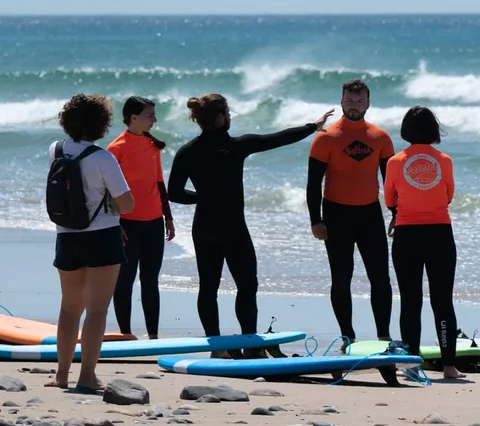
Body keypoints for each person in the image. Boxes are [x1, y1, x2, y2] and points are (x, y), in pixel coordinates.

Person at [168, 93, 333, 358]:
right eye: (228, 113)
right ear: (220, 117)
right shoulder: (236, 146)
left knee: (208, 287)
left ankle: (216, 348)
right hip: (233, 229)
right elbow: (277, 138)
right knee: (247, 285)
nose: (230, 116)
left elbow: (174, 193)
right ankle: (250, 346)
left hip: (204, 227)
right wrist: (312, 127)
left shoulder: (187, 151)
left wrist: (203, 197)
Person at [44, 94, 135, 392]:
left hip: (66, 235)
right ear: (100, 124)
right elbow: (127, 204)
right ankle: (87, 376)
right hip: (102, 237)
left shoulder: (55, 150)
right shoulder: (103, 158)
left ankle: (61, 375)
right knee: (97, 310)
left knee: (69, 308)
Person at [306, 79, 395, 351]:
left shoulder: (381, 137)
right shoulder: (326, 138)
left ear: (368, 102)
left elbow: (390, 181)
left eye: (359, 101)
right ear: (341, 100)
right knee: (341, 277)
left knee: (380, 277)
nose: (354, 105)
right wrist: (315, 219)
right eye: (349, 100)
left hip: (370, 214)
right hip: (336, 214)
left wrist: (395, 213)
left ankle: (384, 336)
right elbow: (312, 183)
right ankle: (348, 336)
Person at [384, 106, 464, 379]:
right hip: (440, 233)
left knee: (410, 300)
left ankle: (411, 365)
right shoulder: (444, 160)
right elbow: (449, 194)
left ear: (406, 130)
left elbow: (388, 199)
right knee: (442, 301)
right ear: (433, 129)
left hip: (407, 235)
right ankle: (450, 366)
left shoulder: (395, 162)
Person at [107, 96, 175, 341]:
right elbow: (107, 191)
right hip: (127, 224)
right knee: (125, 280)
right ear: (133, 117)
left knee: (150, 281)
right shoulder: (116, 149)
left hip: (154, 222)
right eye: (150, 115)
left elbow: (159, 183)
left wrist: (168, 217)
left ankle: (153, 336)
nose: (154, 120)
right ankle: (126, 334)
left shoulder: (152, 145)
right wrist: (115, 224)